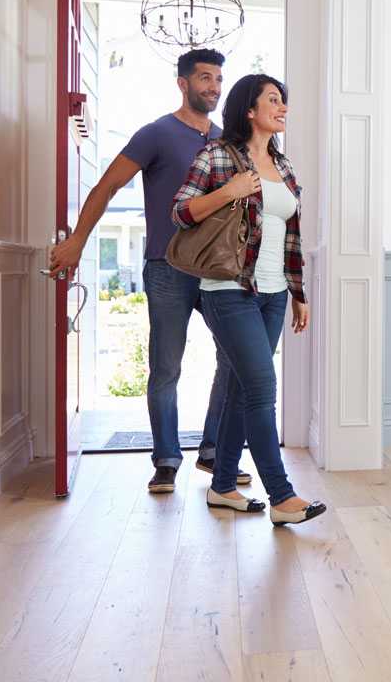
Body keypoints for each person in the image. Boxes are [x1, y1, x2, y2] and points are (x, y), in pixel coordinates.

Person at [47, 48, 252, 494]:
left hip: (219, 272)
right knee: (165, 367)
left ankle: (214, 451)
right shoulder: (156, 134)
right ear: (183, 83)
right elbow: (106, 187)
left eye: (218, 79)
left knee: (235, 360)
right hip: (168, 267)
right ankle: (166, 459)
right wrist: (78, 240)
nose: (213, 87)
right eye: (204, 78)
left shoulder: (226, 141)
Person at [171, 73, 326, 526]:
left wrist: (298, 294)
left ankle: (222, 488)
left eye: (285, 101)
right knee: (261, 389)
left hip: (274, 294)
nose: (283, 108)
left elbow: (292, 235)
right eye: (274, 100)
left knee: (241, 390)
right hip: (229, 291)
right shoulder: (217, 156)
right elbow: (180, 212)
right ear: (250, 110)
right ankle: (281, 496)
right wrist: (228, 190)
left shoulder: (285, 166)